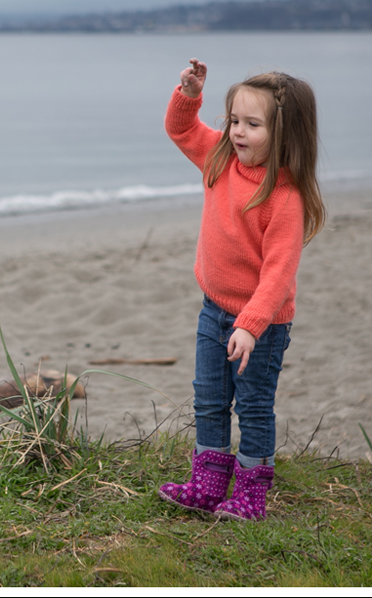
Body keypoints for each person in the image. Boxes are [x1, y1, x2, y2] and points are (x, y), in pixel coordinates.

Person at [158, 58, 325, 520]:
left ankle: (251, 492)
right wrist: (189, 95)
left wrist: (251, 326)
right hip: (213, 311)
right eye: (234, 120)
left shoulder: (284, 199)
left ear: (285, 134)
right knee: (209, 398)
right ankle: (209, 482)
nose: (237, 132)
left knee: (252, 406)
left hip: (263, 326)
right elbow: (182, 130)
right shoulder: (219, 159)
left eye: (252, 124)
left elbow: (278, 275)